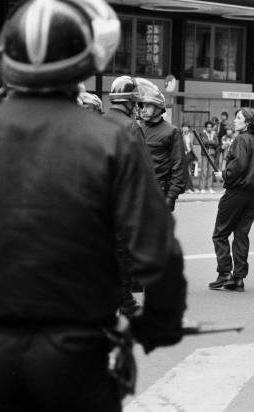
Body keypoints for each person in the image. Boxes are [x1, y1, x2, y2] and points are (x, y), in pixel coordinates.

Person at [0, 1, 187, 410]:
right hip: (80, 349)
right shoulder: (113, 142)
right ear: (82, 64)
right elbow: (158, 250)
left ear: (7, 59)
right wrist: (158, 323)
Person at [103, 74, 150, 312]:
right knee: (122, 249)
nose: (138, 107)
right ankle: (124, 300)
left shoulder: (99, 121)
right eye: (136, 103)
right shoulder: (132, 126)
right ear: (130, 102)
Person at [209, 108, 254, 292]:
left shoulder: (240, 139)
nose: (235, 121)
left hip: (236, 193)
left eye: (239, 118)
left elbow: (239, 165)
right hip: (253, 196)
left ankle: (225, 273)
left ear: (247, 123)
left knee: (220, 233)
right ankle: (238, 278)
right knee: (241, 234)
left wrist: (223, 174)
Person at [135, 77, 187, 210]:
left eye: (148, 105)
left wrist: (171, 196)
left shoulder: (172, 131)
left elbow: (179, 166)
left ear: (158, 107)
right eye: (142, 106)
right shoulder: (138, 128)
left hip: (160, 191)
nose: (143, 109)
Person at [198, 120, 219, 193]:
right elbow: (204, 142)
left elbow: (217, 143)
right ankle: (202, 188)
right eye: (208, 127)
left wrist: (210, 142)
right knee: (203, 171)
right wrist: (211, 141)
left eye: (210, 127)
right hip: (205, 154)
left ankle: (209, 187)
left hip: (212, 154)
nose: (209, 128)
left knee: (210, 171)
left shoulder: (214, 134)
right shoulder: (203, 134)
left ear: (212, 128)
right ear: (206, 127)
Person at [181, 122, 197, 193]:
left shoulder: (191, 135)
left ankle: (190, 188)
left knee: (190, 172)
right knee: (186, 171)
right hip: (184, 154)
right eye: (183, 127)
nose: (185, 128)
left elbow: (193, 145)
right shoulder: (180, 135)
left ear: (188, 128)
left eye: (186, 127)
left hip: (190, 154)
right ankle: (188, 188)